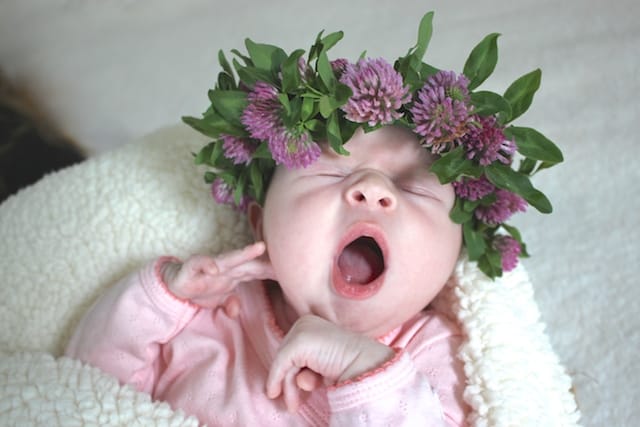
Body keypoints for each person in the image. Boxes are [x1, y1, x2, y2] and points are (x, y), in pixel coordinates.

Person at [66, 10, 561, 427]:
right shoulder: (210, 318)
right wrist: (157, 298)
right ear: (260, 225)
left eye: (413, 186)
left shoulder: (435, 359)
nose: (372, 189)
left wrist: (359, 365)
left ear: (454, 256)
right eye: (331, 172)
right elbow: (86, 393)